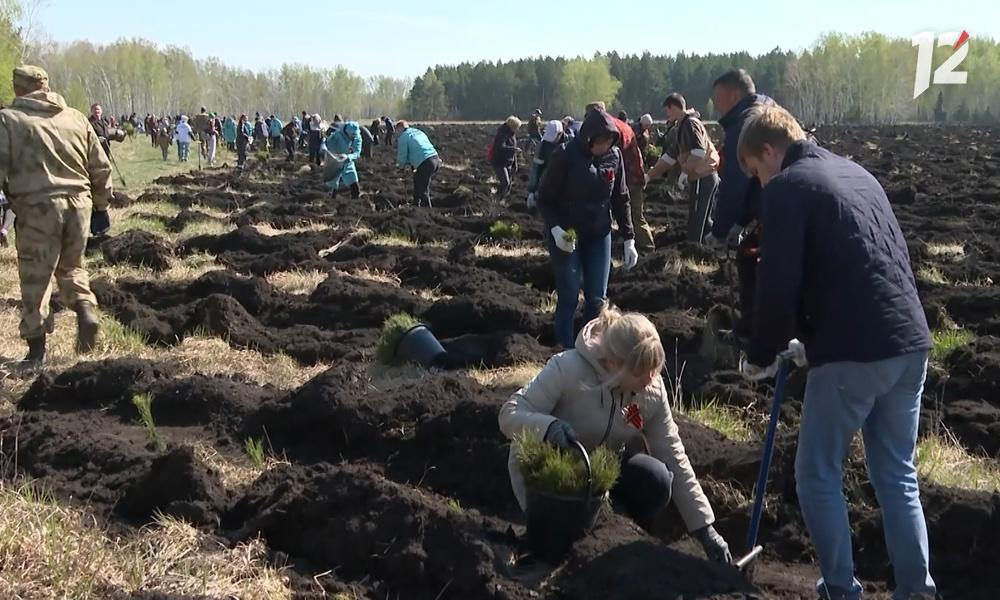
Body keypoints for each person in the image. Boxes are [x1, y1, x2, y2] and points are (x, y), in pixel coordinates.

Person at [736, 105, 936, 600]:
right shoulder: (856, 173)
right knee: (895, 472)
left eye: (757, 172)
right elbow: (865, 261)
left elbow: (778, 283)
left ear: (768, 150)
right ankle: (917, 589)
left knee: (816, 472)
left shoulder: (787, 187)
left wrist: (761, 352)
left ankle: (841, 590)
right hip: (909, 342)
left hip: (854, 353)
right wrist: (810, 341)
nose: (761, 184)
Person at [498, 305, 732, 564]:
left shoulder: (651, 391)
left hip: (601, 472)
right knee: (560, 547)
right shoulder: (568, 369)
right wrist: (548, 427)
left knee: (657, 479)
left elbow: (672, 452)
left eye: (655, 369)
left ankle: (620, 535)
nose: (651, 379)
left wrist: (705, 528)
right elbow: (510, 414)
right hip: (552, 476)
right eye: (641, 371)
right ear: (612, 364)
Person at [0, 65, 113, 366]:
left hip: (38, 207)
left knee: (36, 277)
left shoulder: (9, 120)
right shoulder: (76, 118)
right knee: (72, 267)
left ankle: (36, 353)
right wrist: (101, 205)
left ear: (19, 88)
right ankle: (86, 309)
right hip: (79, 205)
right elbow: (100, 166)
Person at [534, 108, 638, 350]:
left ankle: (588, 347)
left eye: (609, 141)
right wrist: (556, 230)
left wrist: (629, 238)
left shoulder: (614, 157)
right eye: (600, 142)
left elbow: (621, 198)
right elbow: (545, 198)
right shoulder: (565, 155)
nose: (604, 146)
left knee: (597, 297)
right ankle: (564, 348)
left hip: (599, 233)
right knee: (569, 294)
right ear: (588, 138)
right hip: (568, 235)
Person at [706, 69, 777, 345]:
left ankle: (754, 332)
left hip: (773, 209)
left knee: (752, 262)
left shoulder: (744, 125)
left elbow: (736, 181)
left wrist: (721, 230)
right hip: (775, 205)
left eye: (719, 100)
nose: (717, 106)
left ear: (734, 96)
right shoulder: (770, 110)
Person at [646, 93, 720, 243]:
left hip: (702, 176)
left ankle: (694, 254)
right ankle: (714, 245)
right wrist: (650, 175)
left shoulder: (690, 124)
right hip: (705, 176)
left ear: (673, 107)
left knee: (696, 221)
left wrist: (685, 172)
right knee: (703, 221)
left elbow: (699, 152)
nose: (667, 114)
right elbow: (670, 157)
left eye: (667, 110)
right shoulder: (682, 127)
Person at [586, 101, 651, 253]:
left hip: (625, 176)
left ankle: (646, 248)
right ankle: (639, 246)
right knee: (634, 214)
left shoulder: (607, 128)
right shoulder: (621, 124)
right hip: (635, 173)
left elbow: (607, 156)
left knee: (631, 214)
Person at [395, 120, 441, 207]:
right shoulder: (418, 132)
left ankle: (426, 210)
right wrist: (412, 167)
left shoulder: (403, 137)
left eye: (396, 130)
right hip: (435, 159)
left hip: (426, 162)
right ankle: (416, 204)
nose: (396, 133)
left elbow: (402, 156)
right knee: (419, 181)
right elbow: (419, 150)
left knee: (421, 188)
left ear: (400, 128)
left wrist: (401, 167)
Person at [526, 120, 563, 209]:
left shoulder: (570, 143)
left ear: (560, 134)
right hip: (549, 179)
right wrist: (532, 190)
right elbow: (536, 168)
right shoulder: (542, 146)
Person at [323, 121, 363, 199]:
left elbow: (357, 152)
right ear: (347, 132)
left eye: (355, 134)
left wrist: (348, 157)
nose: (354, 136)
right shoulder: (338, 135)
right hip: (335, 162)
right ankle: (330, 202)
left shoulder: (357, 137)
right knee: (332, 185)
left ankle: (356, 202)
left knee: (355, 186)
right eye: (352, 134)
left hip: (348, 162)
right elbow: (328, 145)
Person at [489, 116, 520, 200]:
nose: (517, 130)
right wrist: (513, 149)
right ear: (512, 126)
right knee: (505, 182)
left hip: (508, 162)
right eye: (516, 128)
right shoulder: (502, 133)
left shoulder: (512, 135)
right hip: (499, 162)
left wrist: (515, 164)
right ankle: (496, 198)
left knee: (509, 184)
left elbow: (513, 151)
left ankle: (503, 200)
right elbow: (499, 147)